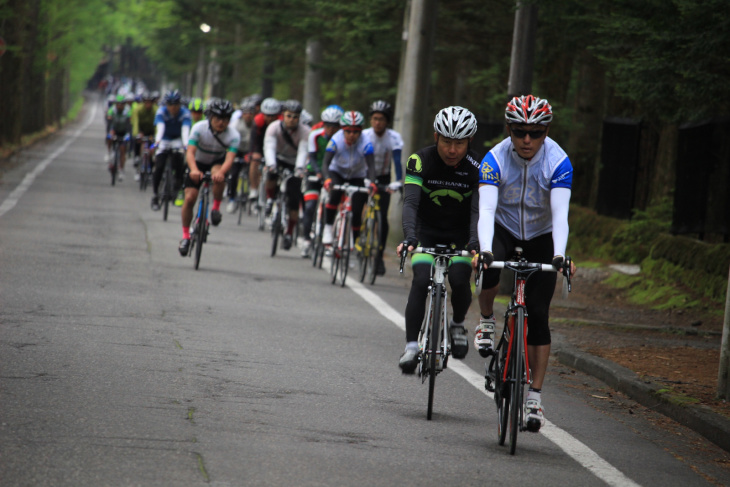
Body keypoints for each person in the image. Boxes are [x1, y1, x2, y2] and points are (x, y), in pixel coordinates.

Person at [475, 94, 576, 432]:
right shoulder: (494, 158)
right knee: (488, 266)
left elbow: (561, 216)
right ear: (509, 130)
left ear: (546, 131)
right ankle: (487, 320)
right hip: (503, 228)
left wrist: (559, 255)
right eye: (519, 132)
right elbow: (487, 210)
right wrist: (486, 249)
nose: (527, 140)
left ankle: (534, 397)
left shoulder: (558, 161)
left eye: (536, 132)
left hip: (541, 235)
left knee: (539, 312)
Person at [396, 106, 480, 374]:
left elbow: (479, 210)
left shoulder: (479, 167)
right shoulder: (419, 161)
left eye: (459, 143)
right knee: (421, 279)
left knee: (458, 279)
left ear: (469, 141)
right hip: (426, 232)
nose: (452, 150)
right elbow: (410, 203)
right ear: (436, 137)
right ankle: (411, 347)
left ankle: (456, 323)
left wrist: (475, 244)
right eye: (446, 142)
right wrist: (410, 237)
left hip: (460, 237)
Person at [178, 99, 240, 256]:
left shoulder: (233, 135)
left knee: (219, 175)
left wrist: (221, 173)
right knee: (190, 198)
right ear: (210, 117)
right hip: (197, 162)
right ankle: (185, 236)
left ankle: (215, 208)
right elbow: (190, 152)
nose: (221, 122)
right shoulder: (199, 128)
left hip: (216, 162)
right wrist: (193, 170)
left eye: (225, 119)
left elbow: (229, 159)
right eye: (218, 118)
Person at [321, 110, 377, 247]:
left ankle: (354, 240)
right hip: (337, 172)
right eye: (348, 131)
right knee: (334, 194)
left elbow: (371, 166)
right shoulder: (336, 140)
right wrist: (327, 179)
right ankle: (328, 228)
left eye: (356, 132)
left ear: (361, 131)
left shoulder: (366, 142)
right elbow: (325, 163)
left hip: (357, 175)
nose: (352, 135)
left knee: (357, 209)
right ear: (342, 130)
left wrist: (372, 183)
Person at [362, 100, 404, 275]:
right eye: (374, 119)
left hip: (384, 178)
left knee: (382, 218)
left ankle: (378, 256)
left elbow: (397, 161)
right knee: (360, 208)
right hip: (364, 175)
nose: (377, 122)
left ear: (387, 121)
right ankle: (360, 235)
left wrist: (398, 181)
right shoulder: (364, 135)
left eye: (381, 119)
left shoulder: (394, 137)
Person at [263, 99, 311, 250]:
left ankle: (289, 232)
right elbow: (269, 147)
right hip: (277, 158)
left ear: (299, 118)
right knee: (270, 177)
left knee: (294, 201)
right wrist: (271, 165)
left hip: (294, 162)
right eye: (289, 116)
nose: (292, 119)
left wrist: (299, 169)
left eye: (295, 117)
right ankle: (270, 199)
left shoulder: (305, 131)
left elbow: (303, 151)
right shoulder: (273, 127)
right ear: (283, 115)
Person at [300, 106, 343, 258]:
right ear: (323, 124)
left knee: (330, 205)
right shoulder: (315, 135)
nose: (331, 129)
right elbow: (312, 156)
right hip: (315, 171)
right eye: (327, 125)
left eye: (335, 126)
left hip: (331, 174)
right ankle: (306, 240)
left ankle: (327, 238)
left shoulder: (342, 139)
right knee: (310, 206)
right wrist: (318, 172)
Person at [151, 90, 192, 211]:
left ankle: (176, 187)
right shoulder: (161, 112)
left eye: (176, 104)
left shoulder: (185, 113)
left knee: (179, 164)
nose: (173, 107)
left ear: (180, 105)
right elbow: (160, 128)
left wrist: (185, 145)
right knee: (159, 166)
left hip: (177, 140)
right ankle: (155, 195)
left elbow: (185, 130)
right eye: (170, 104)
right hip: (164, 139)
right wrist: (157, 142)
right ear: (166, 104)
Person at [248, 97, 282, 205]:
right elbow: (253, 140)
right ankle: (254, 188)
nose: (270, 118)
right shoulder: (258, 120)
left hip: (276, 146)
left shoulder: (281, 122)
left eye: (273, 116)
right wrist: (251, 153)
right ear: (263, 114)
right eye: (267, 115)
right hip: (260, 143)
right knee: (255, 162)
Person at [226, 97, 256, 213]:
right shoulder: (236, 124)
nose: (248, 115)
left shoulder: (256, 125)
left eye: (250, 113)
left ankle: (253, 197)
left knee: (254, 171)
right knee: (233, 174)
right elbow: (230, 141)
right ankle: (232, 198)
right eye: (245, 113)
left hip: (251, 151)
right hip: (237, 150)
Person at [131, 92, 158, 181]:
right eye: (146, 102)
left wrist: (157, 137)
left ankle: (150, 171)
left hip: (151, 132)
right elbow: (135, 123)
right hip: (141, 130)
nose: (148, 105)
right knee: (139, 142)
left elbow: (158, 125)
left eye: (150, 102)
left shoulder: (156, 110)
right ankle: (137, 158)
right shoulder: (138, 110)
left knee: (151, 150)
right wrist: (137, 133)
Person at [105, 94, 132, 181]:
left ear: (124, 104)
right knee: (109, 138)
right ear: (116, 104)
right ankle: (109, 153)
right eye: (118, 104)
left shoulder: (128, 111)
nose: (120, 106)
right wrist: (110, 132)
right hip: (114, 130)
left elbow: (129, 125)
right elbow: (109, 123)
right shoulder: (111, 110)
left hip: (123, 131)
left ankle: (121, 169)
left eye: (122, 104)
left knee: (122, 150)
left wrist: (128, 134)